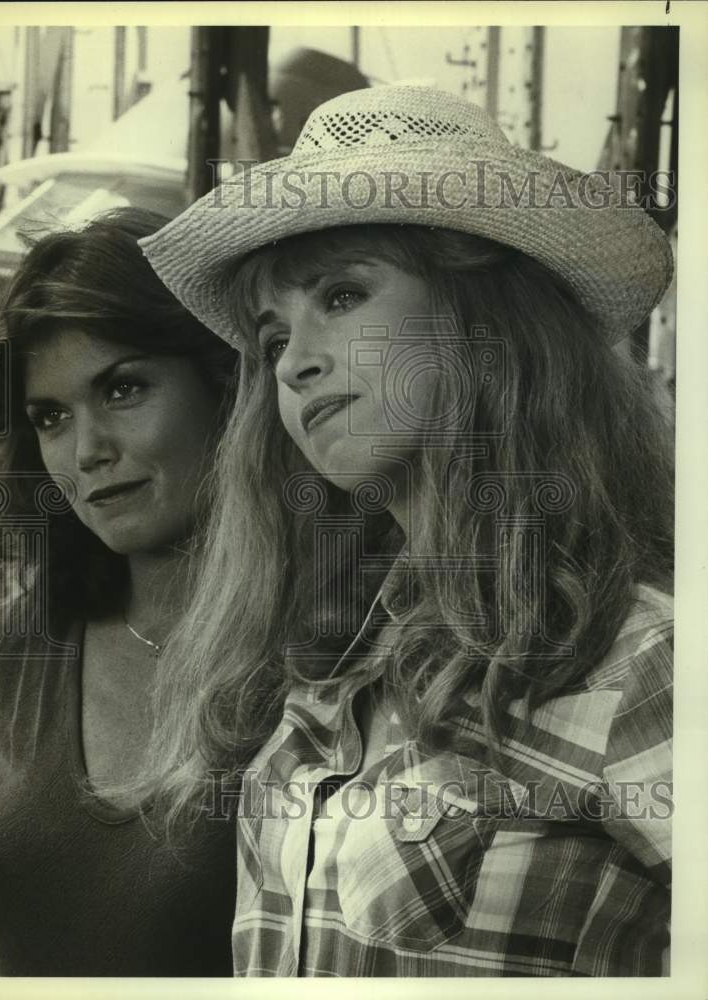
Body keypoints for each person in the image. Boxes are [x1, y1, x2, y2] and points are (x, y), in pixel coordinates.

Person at [138, 86, 674, 976]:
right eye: (271, 340)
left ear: (484, 321)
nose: (297, 361)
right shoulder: (335, 658)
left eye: (342, 295)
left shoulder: (642, 664)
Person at [0, 208, 239, 976]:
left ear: (225, 381)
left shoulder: (332, 644)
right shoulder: (10, 650)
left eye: (124, 389)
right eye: (50, 417)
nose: (86, 453)